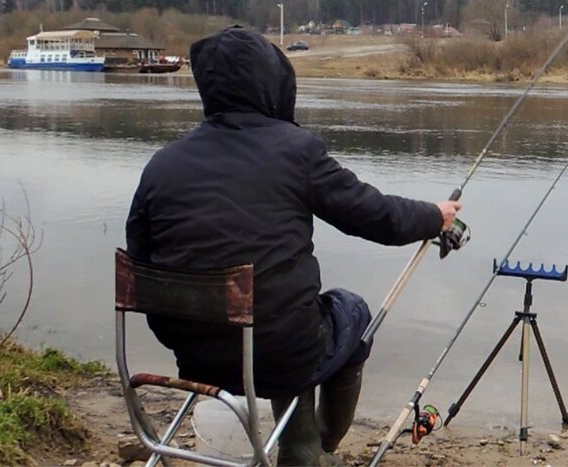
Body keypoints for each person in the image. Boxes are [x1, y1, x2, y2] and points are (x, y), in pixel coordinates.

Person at [126, 26, 462, 465]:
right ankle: (314, 449)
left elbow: (140, 257)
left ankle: (301, 445)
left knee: (285, 318)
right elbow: (374, 215)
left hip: (192, 352)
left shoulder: (162, 163)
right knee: (349, 313)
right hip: (277, 351)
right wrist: (435, 215)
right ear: (273, 83)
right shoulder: (296, 150)